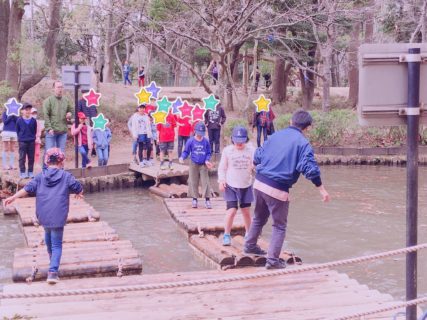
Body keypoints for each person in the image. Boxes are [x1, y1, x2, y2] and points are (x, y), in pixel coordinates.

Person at [244, 110, 330, 269]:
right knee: (279, 226)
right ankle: (272, 261)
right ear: (308, 128)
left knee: (258, 217)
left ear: (291, 121)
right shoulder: (302, 143)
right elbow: (310, 169)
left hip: (259, 183)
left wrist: (254, 164)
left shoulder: (275, 136)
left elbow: (259, 153)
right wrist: (321, 189)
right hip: (277, 188)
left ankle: (249, 245)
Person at [4, 148, 83, 284]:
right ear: (61, 162)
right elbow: (77, 186)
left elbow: (27, 189)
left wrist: (13, 197)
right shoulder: (66, 176)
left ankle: (52, 260)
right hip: (58, 214)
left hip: (43, 214)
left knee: (48, 240)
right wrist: (79, 192)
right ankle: (52, 273)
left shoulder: (40, 176)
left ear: (47, 161)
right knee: (57, 244)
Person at [218, 126, 255, 246]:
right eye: (236, 140)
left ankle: (249, 233)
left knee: (246, 211)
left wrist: (255, 167)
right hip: (231, 185)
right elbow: (222, 167)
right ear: (232, 139)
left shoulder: (251, 150)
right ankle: (226, 235)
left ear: (246, 139)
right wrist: (221, 180)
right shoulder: (228, 151)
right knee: (232, 210)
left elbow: (257, 164)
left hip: (246, 185)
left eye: (242, 140)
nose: (239, 143)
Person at [179, 122, 213, 209]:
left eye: (202, 134)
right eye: (198, 133)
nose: (200, 136)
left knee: (205, 181)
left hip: (203, 164)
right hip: (194, 163)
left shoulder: (206, 141)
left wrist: (207, 160)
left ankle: (207, 200)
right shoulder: (190, 141)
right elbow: (186, 151)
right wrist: (182, 157)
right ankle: (194, 199)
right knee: (193, 181)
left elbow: (209, 152)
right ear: (195, 131)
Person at [42, 81, 73, 169]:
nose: (60, 89)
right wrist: (49, 128)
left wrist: (69, 114)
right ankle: (46, 171)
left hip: (63, 131)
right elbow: (46, 115)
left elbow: (71, 110)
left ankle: (60, 172)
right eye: (58, 87)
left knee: (61, 153)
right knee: (49, 152)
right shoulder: (48, 101)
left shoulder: (66, 100)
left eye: (61, 87)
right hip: (52, 131)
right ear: (53, 89)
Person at [16, 103, 37, 179]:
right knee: (22, 157)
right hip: (22, 142)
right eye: (26, 110)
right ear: (22, 111)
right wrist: (21, 138)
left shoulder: (33, 121)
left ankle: (30, 172)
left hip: (31, 141)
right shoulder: (19, 120)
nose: (28, 111)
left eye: (29, 110)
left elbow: (34, 130)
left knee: (31, 157)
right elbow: (17, 130)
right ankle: (22, 172)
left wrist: (32, 137)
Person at [1, 102, 18, 170]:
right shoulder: (5, 113)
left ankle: (11, 164)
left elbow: (17, 122)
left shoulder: (16, 114)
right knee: (5, 148)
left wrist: (14, 116)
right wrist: (11, 115)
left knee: (13, 148)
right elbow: (5, 122)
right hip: (6, 132)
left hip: (14, 132)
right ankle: (5, 165)